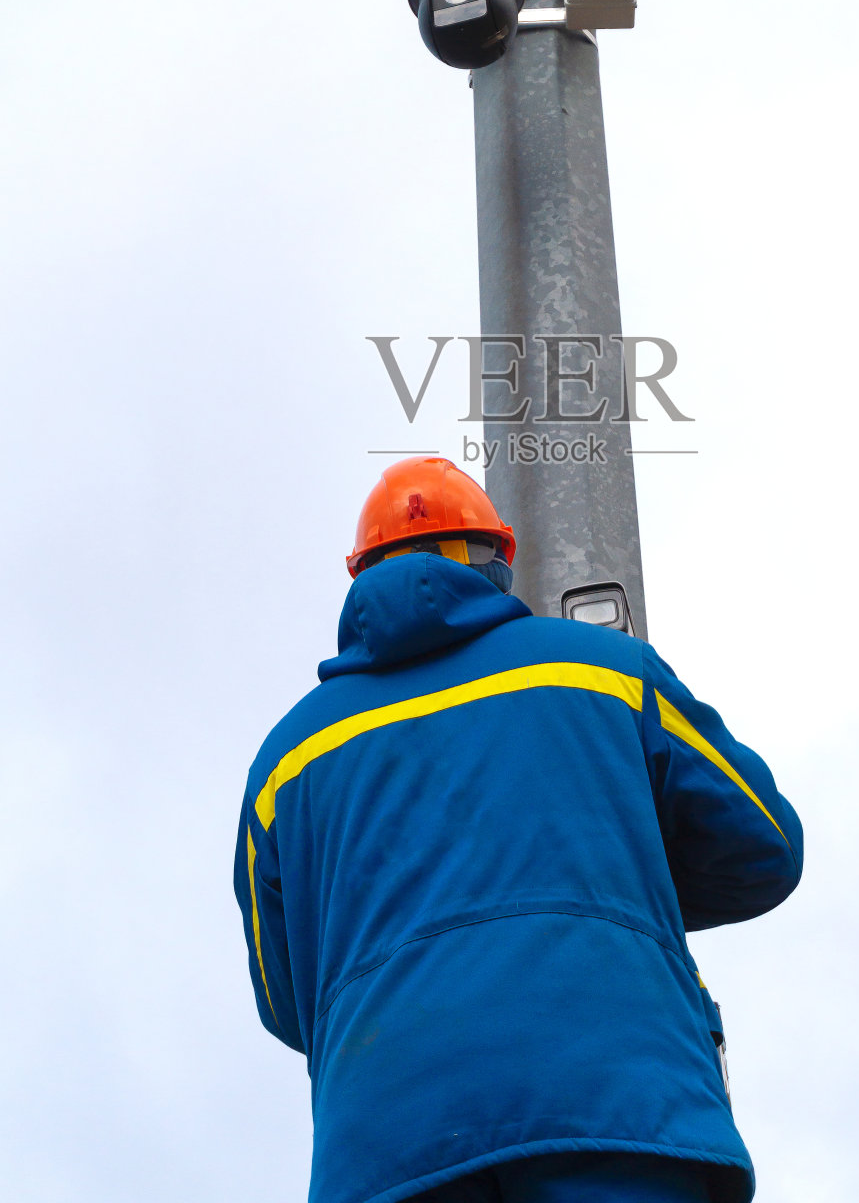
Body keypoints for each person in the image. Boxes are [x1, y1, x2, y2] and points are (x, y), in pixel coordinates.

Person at [235, 457, 802, 1203]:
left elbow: (287, 997)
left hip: (387, 1152)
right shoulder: (605, 671)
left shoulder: (285, 763)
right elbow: (764, 845)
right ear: (496, 560)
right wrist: (607, 881)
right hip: (615, 1108)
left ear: (359, 577)